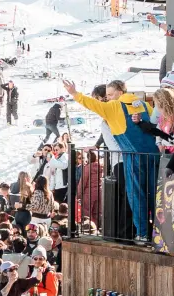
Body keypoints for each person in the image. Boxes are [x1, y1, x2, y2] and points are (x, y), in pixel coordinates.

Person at [64, 79, 158, 238]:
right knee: (154, 195)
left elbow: (93, 105)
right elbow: (155, 122)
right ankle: (159, 231)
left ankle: (142, 234)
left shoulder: (115, 106)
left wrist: (74, 94)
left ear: (120, 93)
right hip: (154, 155)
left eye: (110, 94)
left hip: (133, 157)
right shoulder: (143, 104)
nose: (107, 98)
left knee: (136, 197)